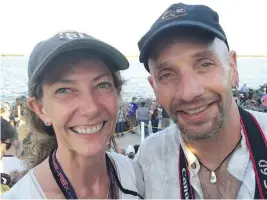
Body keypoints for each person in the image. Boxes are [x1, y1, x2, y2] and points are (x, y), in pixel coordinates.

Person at [135, 3, 267, 199]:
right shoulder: (148, 160)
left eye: (204, 64)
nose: (189, 93)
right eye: (167, 74)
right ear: (154, 87)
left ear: (233, 68)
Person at [1, 31, 144, 199]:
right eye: (64, 90)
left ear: (117, 94)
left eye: (102, 85)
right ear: (40, 109)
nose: (91, 109)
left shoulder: (135, 175)